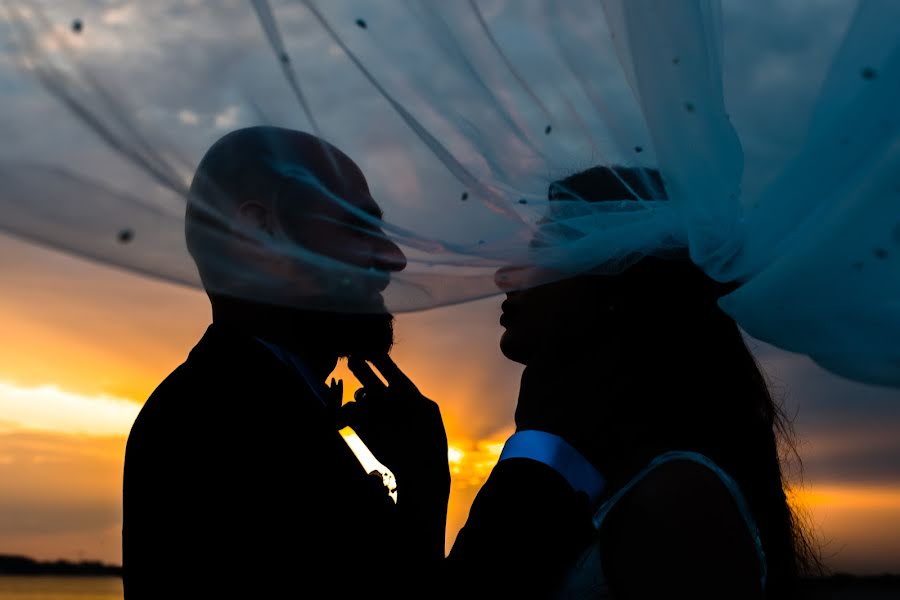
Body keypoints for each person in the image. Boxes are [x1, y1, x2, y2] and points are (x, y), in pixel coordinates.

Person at [447, 166, 821, 599]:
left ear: (614, 285)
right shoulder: (611, 469)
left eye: (543, 249)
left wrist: (535, 452)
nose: (505, 275)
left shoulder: (676, 499)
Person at [122, 126, 450, 599]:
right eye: (358, 226)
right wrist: (423, 490)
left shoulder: (249, 398)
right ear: (260, 231)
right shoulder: (215, 421)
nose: (394, 258)